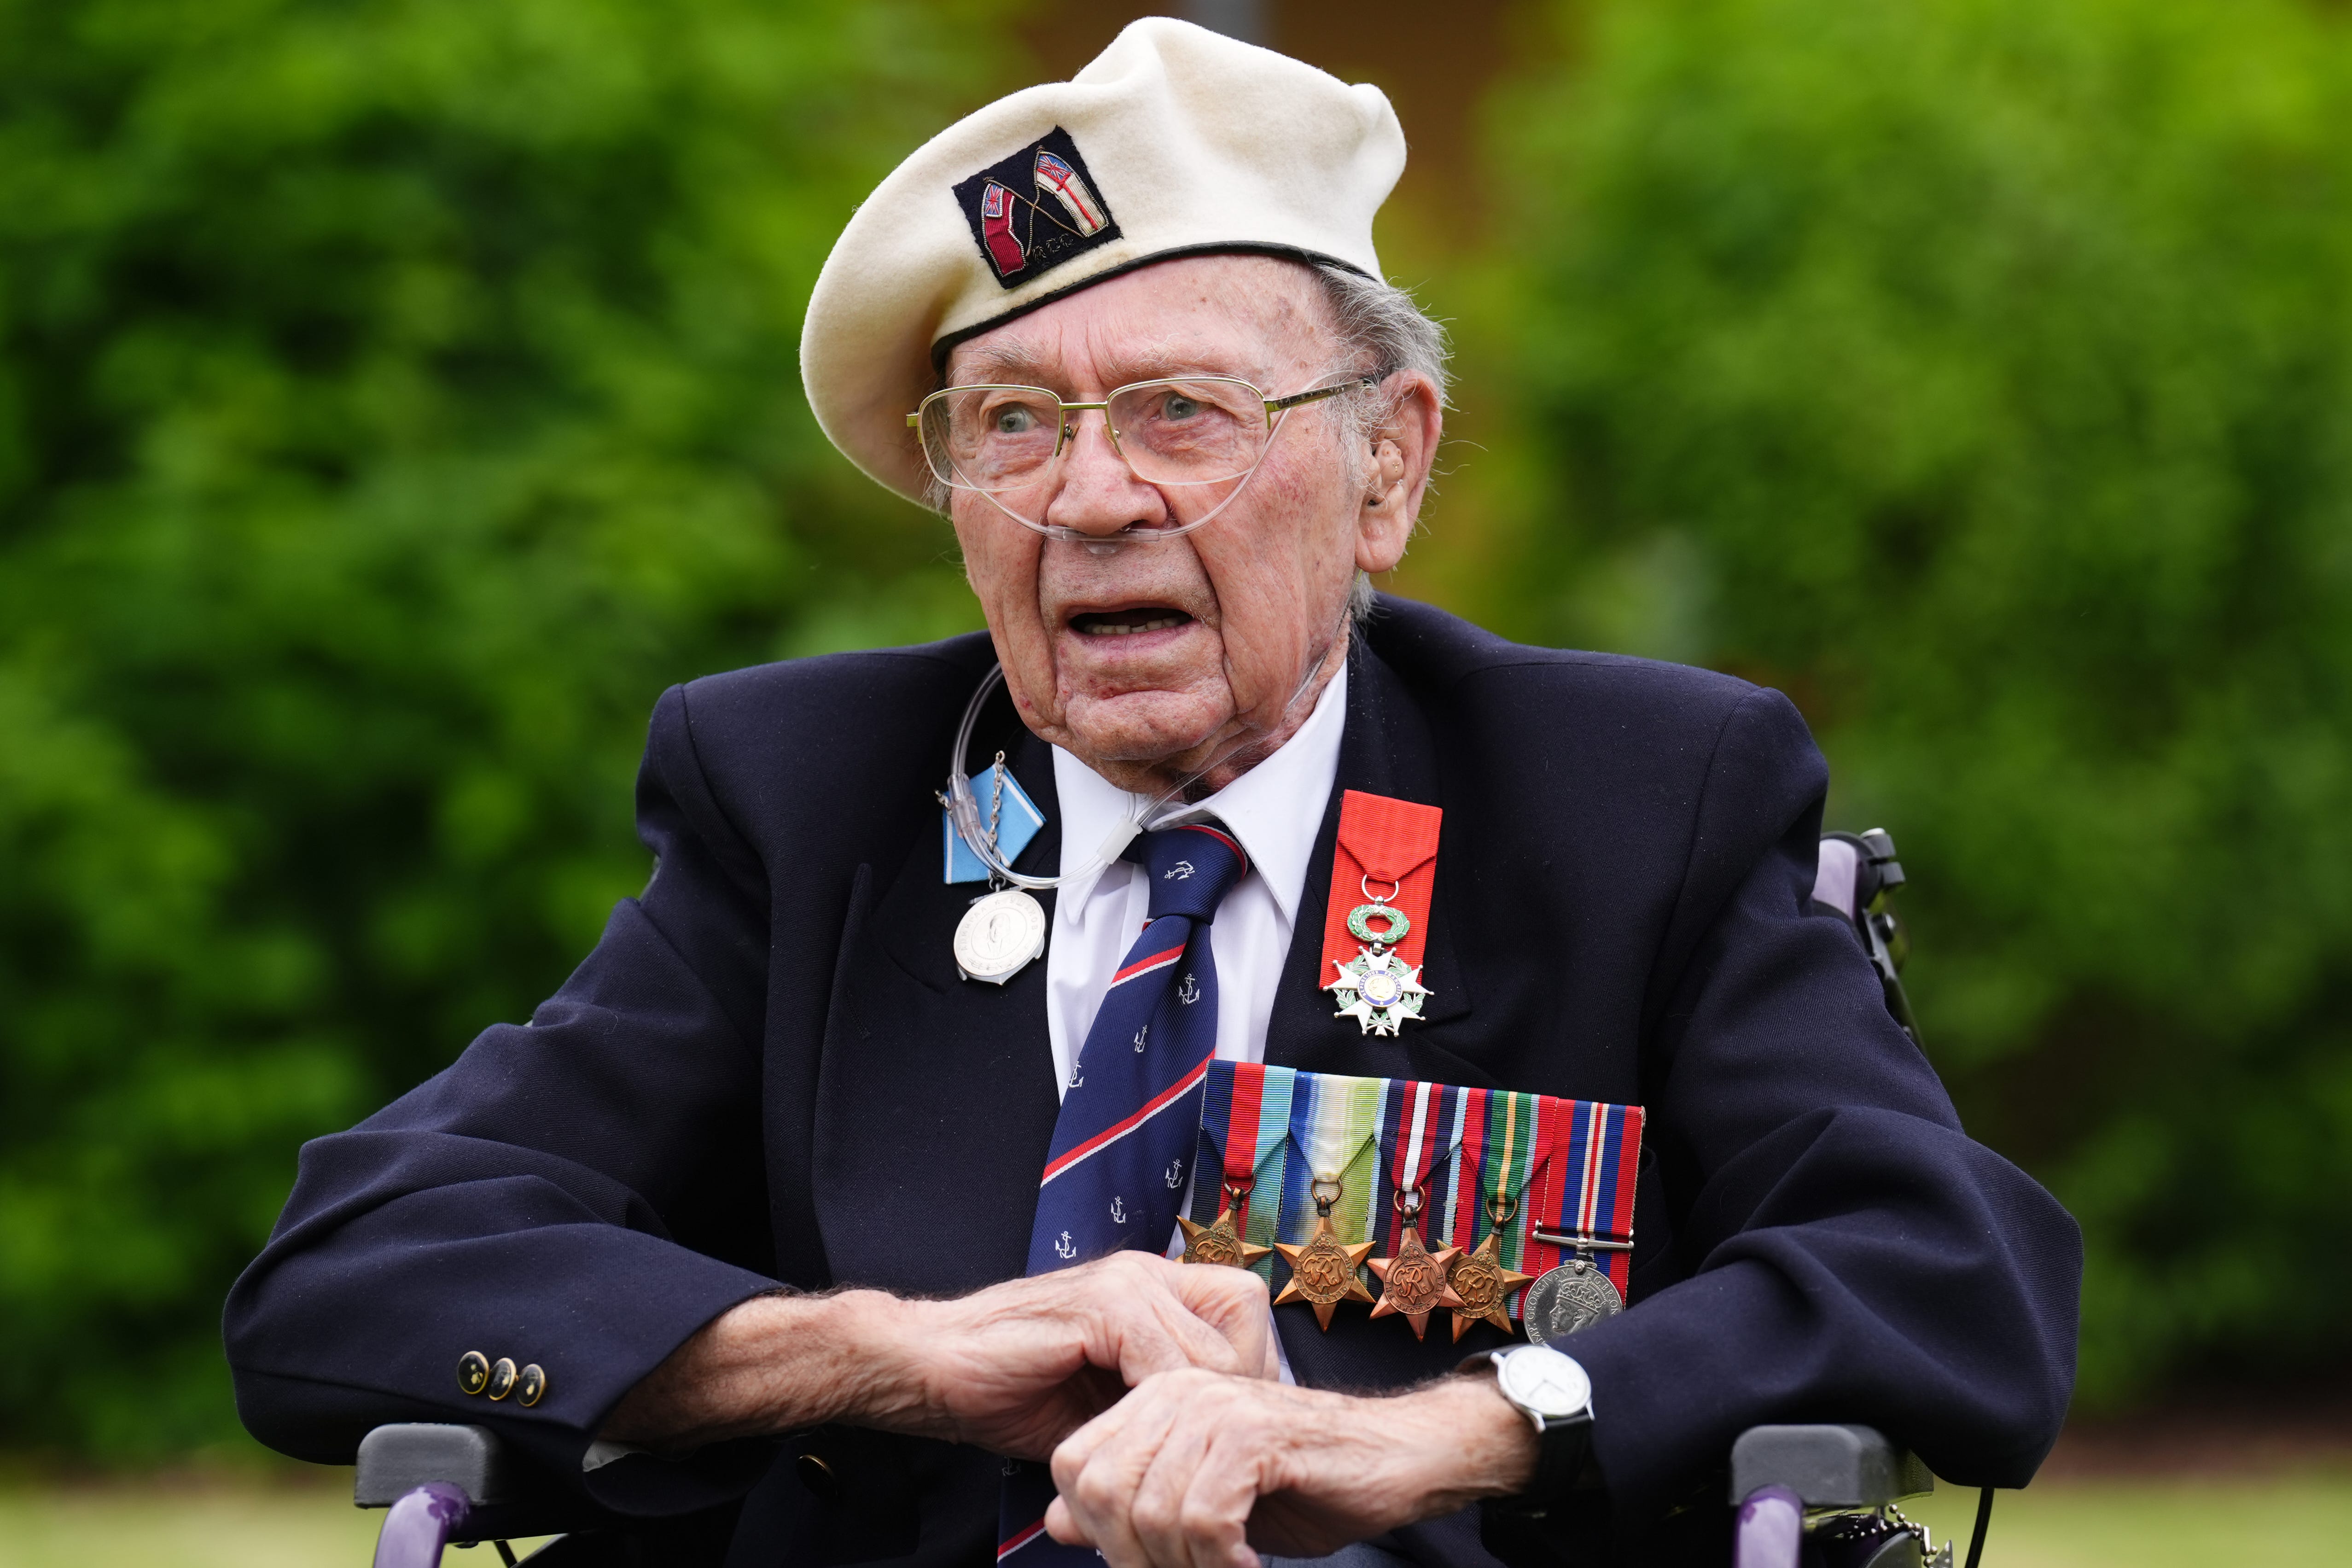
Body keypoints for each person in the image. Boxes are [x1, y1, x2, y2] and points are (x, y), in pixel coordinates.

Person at [224, 19, 2079, 1568]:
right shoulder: (809, 804)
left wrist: (1455, 1434)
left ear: (1385, 471)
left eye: (1182, 412)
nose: (1089, 498)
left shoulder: (1630, 800)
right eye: (1012, 427)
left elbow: (1946, 1276)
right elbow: (353, 1268)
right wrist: (876, 1354)